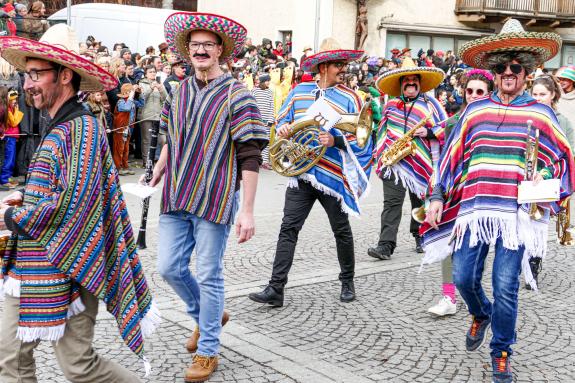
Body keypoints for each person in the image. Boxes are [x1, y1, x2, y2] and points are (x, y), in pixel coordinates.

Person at [0, 23, 160, 383]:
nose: (27, 84)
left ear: (65, 76)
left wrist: (13, 217)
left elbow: (76, 204)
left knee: (78, 365)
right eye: (26, 74)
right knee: (11, 357)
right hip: (32, 261)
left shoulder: (82, 128)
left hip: (70, 263)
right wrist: (26, 195)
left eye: (36, 74)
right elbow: (60, 185)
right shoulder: (59, 125)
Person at [422, 19, 574, 383]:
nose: (508, 72)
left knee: (506, 287)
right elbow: (451, 157)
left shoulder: (540, 113)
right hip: (475, 209)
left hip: (516, 214)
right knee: (461, 278)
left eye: (516, 67)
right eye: (502, 66)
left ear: (526, 72)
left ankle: (501, 350)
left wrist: (547, 175)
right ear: (494, 71)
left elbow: (563, 157)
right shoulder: (475, 111)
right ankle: (480, 313)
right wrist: (437, 193)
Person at [148, 12, 268, 382]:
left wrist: (247, 210)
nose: (200, 50)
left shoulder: (238, 94)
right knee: (168, 267)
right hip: (176, 192)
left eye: (207, 45)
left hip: (216, 197)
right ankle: (207, 315)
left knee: (210, 273)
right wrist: (160, 166)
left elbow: (250, 154)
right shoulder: (178, 90)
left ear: (220, 50)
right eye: (194, 45)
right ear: (187, 51)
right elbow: (171, 133)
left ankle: (208, 350)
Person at [248, 38, 372, 306]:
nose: (344, 69)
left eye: (344, 64)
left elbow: (363, 138)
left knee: (341, 229)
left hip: (331, 175)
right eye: (339, 65)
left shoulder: (351, 97)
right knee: (288, 229)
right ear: (324, 66)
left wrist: (335, 141)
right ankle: (276, 288)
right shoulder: (299, 91)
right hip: (301, 174)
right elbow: (282, 119)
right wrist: (282, 128)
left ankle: (347, 281)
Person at [427, 68, 494, 316]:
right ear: (463, 93)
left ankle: (470, 291)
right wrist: (437, 195)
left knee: (476, 246)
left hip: (482, 193)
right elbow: (444, 160)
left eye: (480, 91)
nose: (474, 95)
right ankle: (448, 296)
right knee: (447, 240)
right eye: (470, 91)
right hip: (454, 191)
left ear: (489, 94)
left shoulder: (495, 119)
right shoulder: (454, 121)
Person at [369, 57, 446, 260]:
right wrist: (380, 156)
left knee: (420, 202)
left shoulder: (431, 105)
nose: (411, 83)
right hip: (394, 162)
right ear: (401, 83)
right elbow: (382, 132)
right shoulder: (391, 105)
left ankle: (421, 236)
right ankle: (385, 245)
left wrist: (428, 133)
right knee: (391, 204)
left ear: (420, 83)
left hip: (421, 162)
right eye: (407, 80)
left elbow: (447, 128)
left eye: (414, 80)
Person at [138, 64, 167, 167]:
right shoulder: (141, 84)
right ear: (145, 74)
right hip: (146, 115)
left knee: (163, 139)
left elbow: (166, 98)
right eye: (150, 72)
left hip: (158, 115)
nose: (153, 73)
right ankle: (147, 162)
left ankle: (162, 161)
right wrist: (150, 88)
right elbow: (142, 97)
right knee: (147, 140)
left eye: (154, 71)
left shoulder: (160, 83)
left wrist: (161, 88)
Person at [112, 83, 144, 176]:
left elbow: (142, 104)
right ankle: (118, 167)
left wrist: (140, 93)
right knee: (119, 148)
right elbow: (127, 108)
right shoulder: (121, 101)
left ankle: (125, 166)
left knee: (126, 148)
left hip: (129, 128)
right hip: (120, 128)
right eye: (131, 91)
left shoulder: (131, 101)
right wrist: (130, 97)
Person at [251, 73, 274, 169]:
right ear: (263, 81)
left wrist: (271, 119)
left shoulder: (270, 92)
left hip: (266, 120)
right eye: (267, 80)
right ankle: (255, 160)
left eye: (269, 80)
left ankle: (265, 161)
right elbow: (251, 104)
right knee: (256, 140)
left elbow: (271, 106)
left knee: (266, 141)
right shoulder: (254, 91)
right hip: (256, 119)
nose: (268, 82)